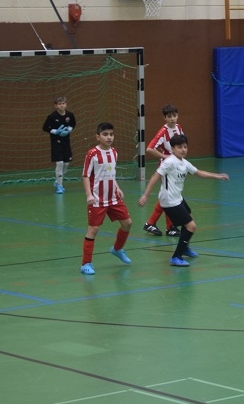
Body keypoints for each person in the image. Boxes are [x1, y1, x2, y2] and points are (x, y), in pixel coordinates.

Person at [138, 134, 229, 267]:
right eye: (179, 147)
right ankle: (176, 257)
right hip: (169, 200)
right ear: (172, 148)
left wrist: (218, 176)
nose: (183, 149)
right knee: (191, 226)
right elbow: (155, 176)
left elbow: (199, 173)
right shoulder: (169, 162)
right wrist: (146, 195)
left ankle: (185, 247)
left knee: (189, 218)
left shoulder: (184, 163)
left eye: (185, 147)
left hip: (178, 198)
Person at [80, 122, 132, 275]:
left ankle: (117, 249)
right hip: (97, 198)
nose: (109, 137)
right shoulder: (92, 154)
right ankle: (86, 264)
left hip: (113, 197)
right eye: (105, 134)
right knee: (93, 229)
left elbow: (111, 173)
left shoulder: (114, 152)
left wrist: (117, 187)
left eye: (111, 134)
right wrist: (89, 195)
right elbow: (85, 175)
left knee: (127, 223)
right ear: (98, 137)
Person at [142, 104, 185, 237]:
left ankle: (166, 226)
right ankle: (159, 224)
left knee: (169, 196)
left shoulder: (178, 128)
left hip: (176, 166)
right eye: (169, 116)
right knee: (168, 196)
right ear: (165, 118)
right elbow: (150, 148)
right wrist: (165, 156)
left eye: (174, 115)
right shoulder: (163, 132)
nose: (172, 118)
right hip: (166, 167)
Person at [42, 95, 76, 194]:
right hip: (56, 143)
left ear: (66, 104)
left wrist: (69, 130)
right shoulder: (52, 116)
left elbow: (73, 124)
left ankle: (57, 181)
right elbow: (45, 127)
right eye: (59, 104)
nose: (61, 105)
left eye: (63, 103)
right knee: (60, 163)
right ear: (55, 106)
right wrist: (55, 131)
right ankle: (60, 186)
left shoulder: (70, 115)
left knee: (66, 164)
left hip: (66, 142)